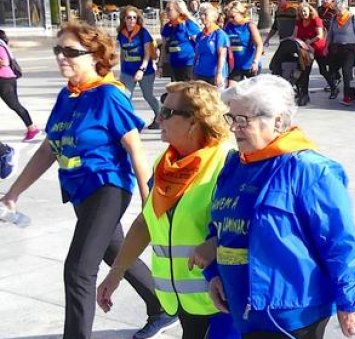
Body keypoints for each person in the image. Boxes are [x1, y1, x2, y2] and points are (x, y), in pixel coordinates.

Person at [1, 22, 171, 339]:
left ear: (96, 56)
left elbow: (135, 148)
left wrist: (148, 199)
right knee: (115, 251)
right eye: (58, 50)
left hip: (108, 188)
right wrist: (14, 193)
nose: (61, 57)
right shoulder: (68, 95)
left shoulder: (108, 95)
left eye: (70, 51)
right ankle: (161, 306)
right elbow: (50, 147)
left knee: (78, 270)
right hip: (80, 190)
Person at [199, 75, 355, 338]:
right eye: (232, 118)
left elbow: (339, 240)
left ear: (277, 120)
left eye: (244, 120)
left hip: (292, 314)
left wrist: (349, 301)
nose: (234, 129)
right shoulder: (235, 165)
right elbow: (219, 226)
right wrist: (213, 274)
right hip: (243, 307)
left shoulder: (309, 170)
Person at [97, 81, 233, 339]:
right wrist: (116, 273)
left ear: (194, 120)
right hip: (179, 300)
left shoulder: (227, 163)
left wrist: (215, 243)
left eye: (168, 113)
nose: (159, 118)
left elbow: (247, 229)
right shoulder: (166, 163)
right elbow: (147, 222)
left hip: (217, 303)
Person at [116, 7, 161, 125]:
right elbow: (122, 52)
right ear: (124, 19)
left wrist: (141, 70)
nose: (131, 20)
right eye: (129, 18)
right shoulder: (121, 33)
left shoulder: (143, 32)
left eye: (134, 18)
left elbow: (147, 54)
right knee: (125, 97)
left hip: (145, 71)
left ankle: (160, 116)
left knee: (148, 96)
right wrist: (121, 70)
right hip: (127, 71)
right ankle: (129, 123)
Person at [0, 29, 37, 141]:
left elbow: (5, 62)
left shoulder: (0, 47)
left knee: (15, 105)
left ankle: (32, 128)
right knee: (15, 105)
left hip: (4, 80)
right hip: (6, 79)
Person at [328, 0, 355, 106]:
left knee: (346, 71)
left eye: (340, 9)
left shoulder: (353, 18)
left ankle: (348, 96)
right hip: (336, 48)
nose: (338, 12)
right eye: (336, 10)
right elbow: (330, 34)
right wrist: (326, 46)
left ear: (345, 8)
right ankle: (342, 88)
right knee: (332, 70)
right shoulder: (334, 19)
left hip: (350, 49)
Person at [294, 2, 326, 106]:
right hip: (305, 50)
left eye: (305, 11)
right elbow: (294, 35)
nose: (303, 13)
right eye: (301, 11)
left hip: (317, 47)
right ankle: (304, 95)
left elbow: (320, 35)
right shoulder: (299, 22)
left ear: (309, 10)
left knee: (323, 70)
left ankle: (333, 86)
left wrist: (309, 41)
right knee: (304, 72)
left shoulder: (316, 20)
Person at [223, 1, 263, 84]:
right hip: (235, 66)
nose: (230, 19)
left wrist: (255, 61)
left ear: (241, 14)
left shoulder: (249, 25)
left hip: (250, 65)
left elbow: (259, 44)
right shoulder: (228, 25)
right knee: (231, 91)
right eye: (228, 17)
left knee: (252, 93)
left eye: (233, 17)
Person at [161, 0, 201, 83]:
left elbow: (199, 43)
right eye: (166, 9)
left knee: (187, 89)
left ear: (178, 10)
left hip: (188, 63)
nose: (166, 12)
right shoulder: (167, 26)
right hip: (174, 63)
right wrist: (160, 64)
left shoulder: (187, 24)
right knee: (176, 90)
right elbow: (164, 46)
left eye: (169, 9)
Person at [192, 4, 229, 89]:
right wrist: (193, 71)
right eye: (201, 14)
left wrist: (219, 74)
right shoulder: (200, 35)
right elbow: (197, 55)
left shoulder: (219, 34)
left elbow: (222, 56)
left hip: (214, 74)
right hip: (200, 74)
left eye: (205, 14)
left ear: (213, 17)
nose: (202, 16)